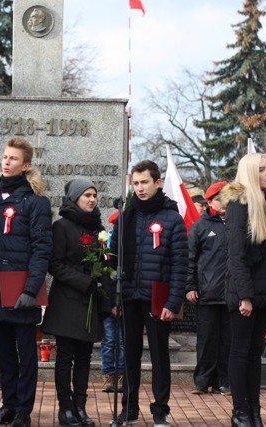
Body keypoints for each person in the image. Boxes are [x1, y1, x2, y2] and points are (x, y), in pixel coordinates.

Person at [110, 159, 187, 427]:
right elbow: (114, 261)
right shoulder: (125, 217)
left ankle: (160, 410)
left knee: (159, 356)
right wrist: (114, 298)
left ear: (157, 183)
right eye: (135, 183)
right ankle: (128, 408)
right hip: (130, 295)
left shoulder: (172, 219)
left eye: (145, 182)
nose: (140, 188)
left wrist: (173, 301)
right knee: (129, 355)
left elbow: (180, 265)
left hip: (158, 297)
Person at [220, 153, 266, 427]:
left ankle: (254, 411)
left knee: (254, 355)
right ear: (251, 173)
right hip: (246, 295)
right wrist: (245, 296)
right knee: (240, 352)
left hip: (265, 294)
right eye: (262, 169)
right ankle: (240, 412)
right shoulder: (239, 205)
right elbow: (236, 256)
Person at [0, 137, 52, 427]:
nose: (5, 162)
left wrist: (30, 289)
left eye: (12, 158)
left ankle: (23, 410)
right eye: (4, 156)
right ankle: (9, 406)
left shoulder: (36, 202)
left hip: (21, 285)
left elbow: (41, 249)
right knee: (3, 354)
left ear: (25, 166)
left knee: (25, 354)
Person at [41, 178, 111, 427]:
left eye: (94, 195)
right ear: (74, 198)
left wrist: (104, 292)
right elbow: (55, 264)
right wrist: (84, 281)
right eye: (87, 195)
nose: (92, 199)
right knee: (65, 357)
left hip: (90, 300)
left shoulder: (98, 228)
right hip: (68, 300)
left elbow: (103, 263)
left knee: (85, 358)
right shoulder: (62, 227)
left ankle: (80, 407)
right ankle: (65, 408)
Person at [185, 181, 230, 396]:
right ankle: (202, 381)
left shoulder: (237, 223)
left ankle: (224, 381)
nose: (225, 201)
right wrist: (190, 286)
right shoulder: (200, 227)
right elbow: (190, 259)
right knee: (206, 340)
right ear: (210, 202)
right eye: (220, 198)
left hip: (231, 295)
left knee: (227, 341)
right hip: (207, 294)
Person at [100, 211, 124, 394]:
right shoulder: (105, 249)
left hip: (125, 304)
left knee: (122, 342)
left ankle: (121, 375)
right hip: (109, 304)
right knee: (109, 341)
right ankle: (108, 374)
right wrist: (111, 304)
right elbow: (106, 280)